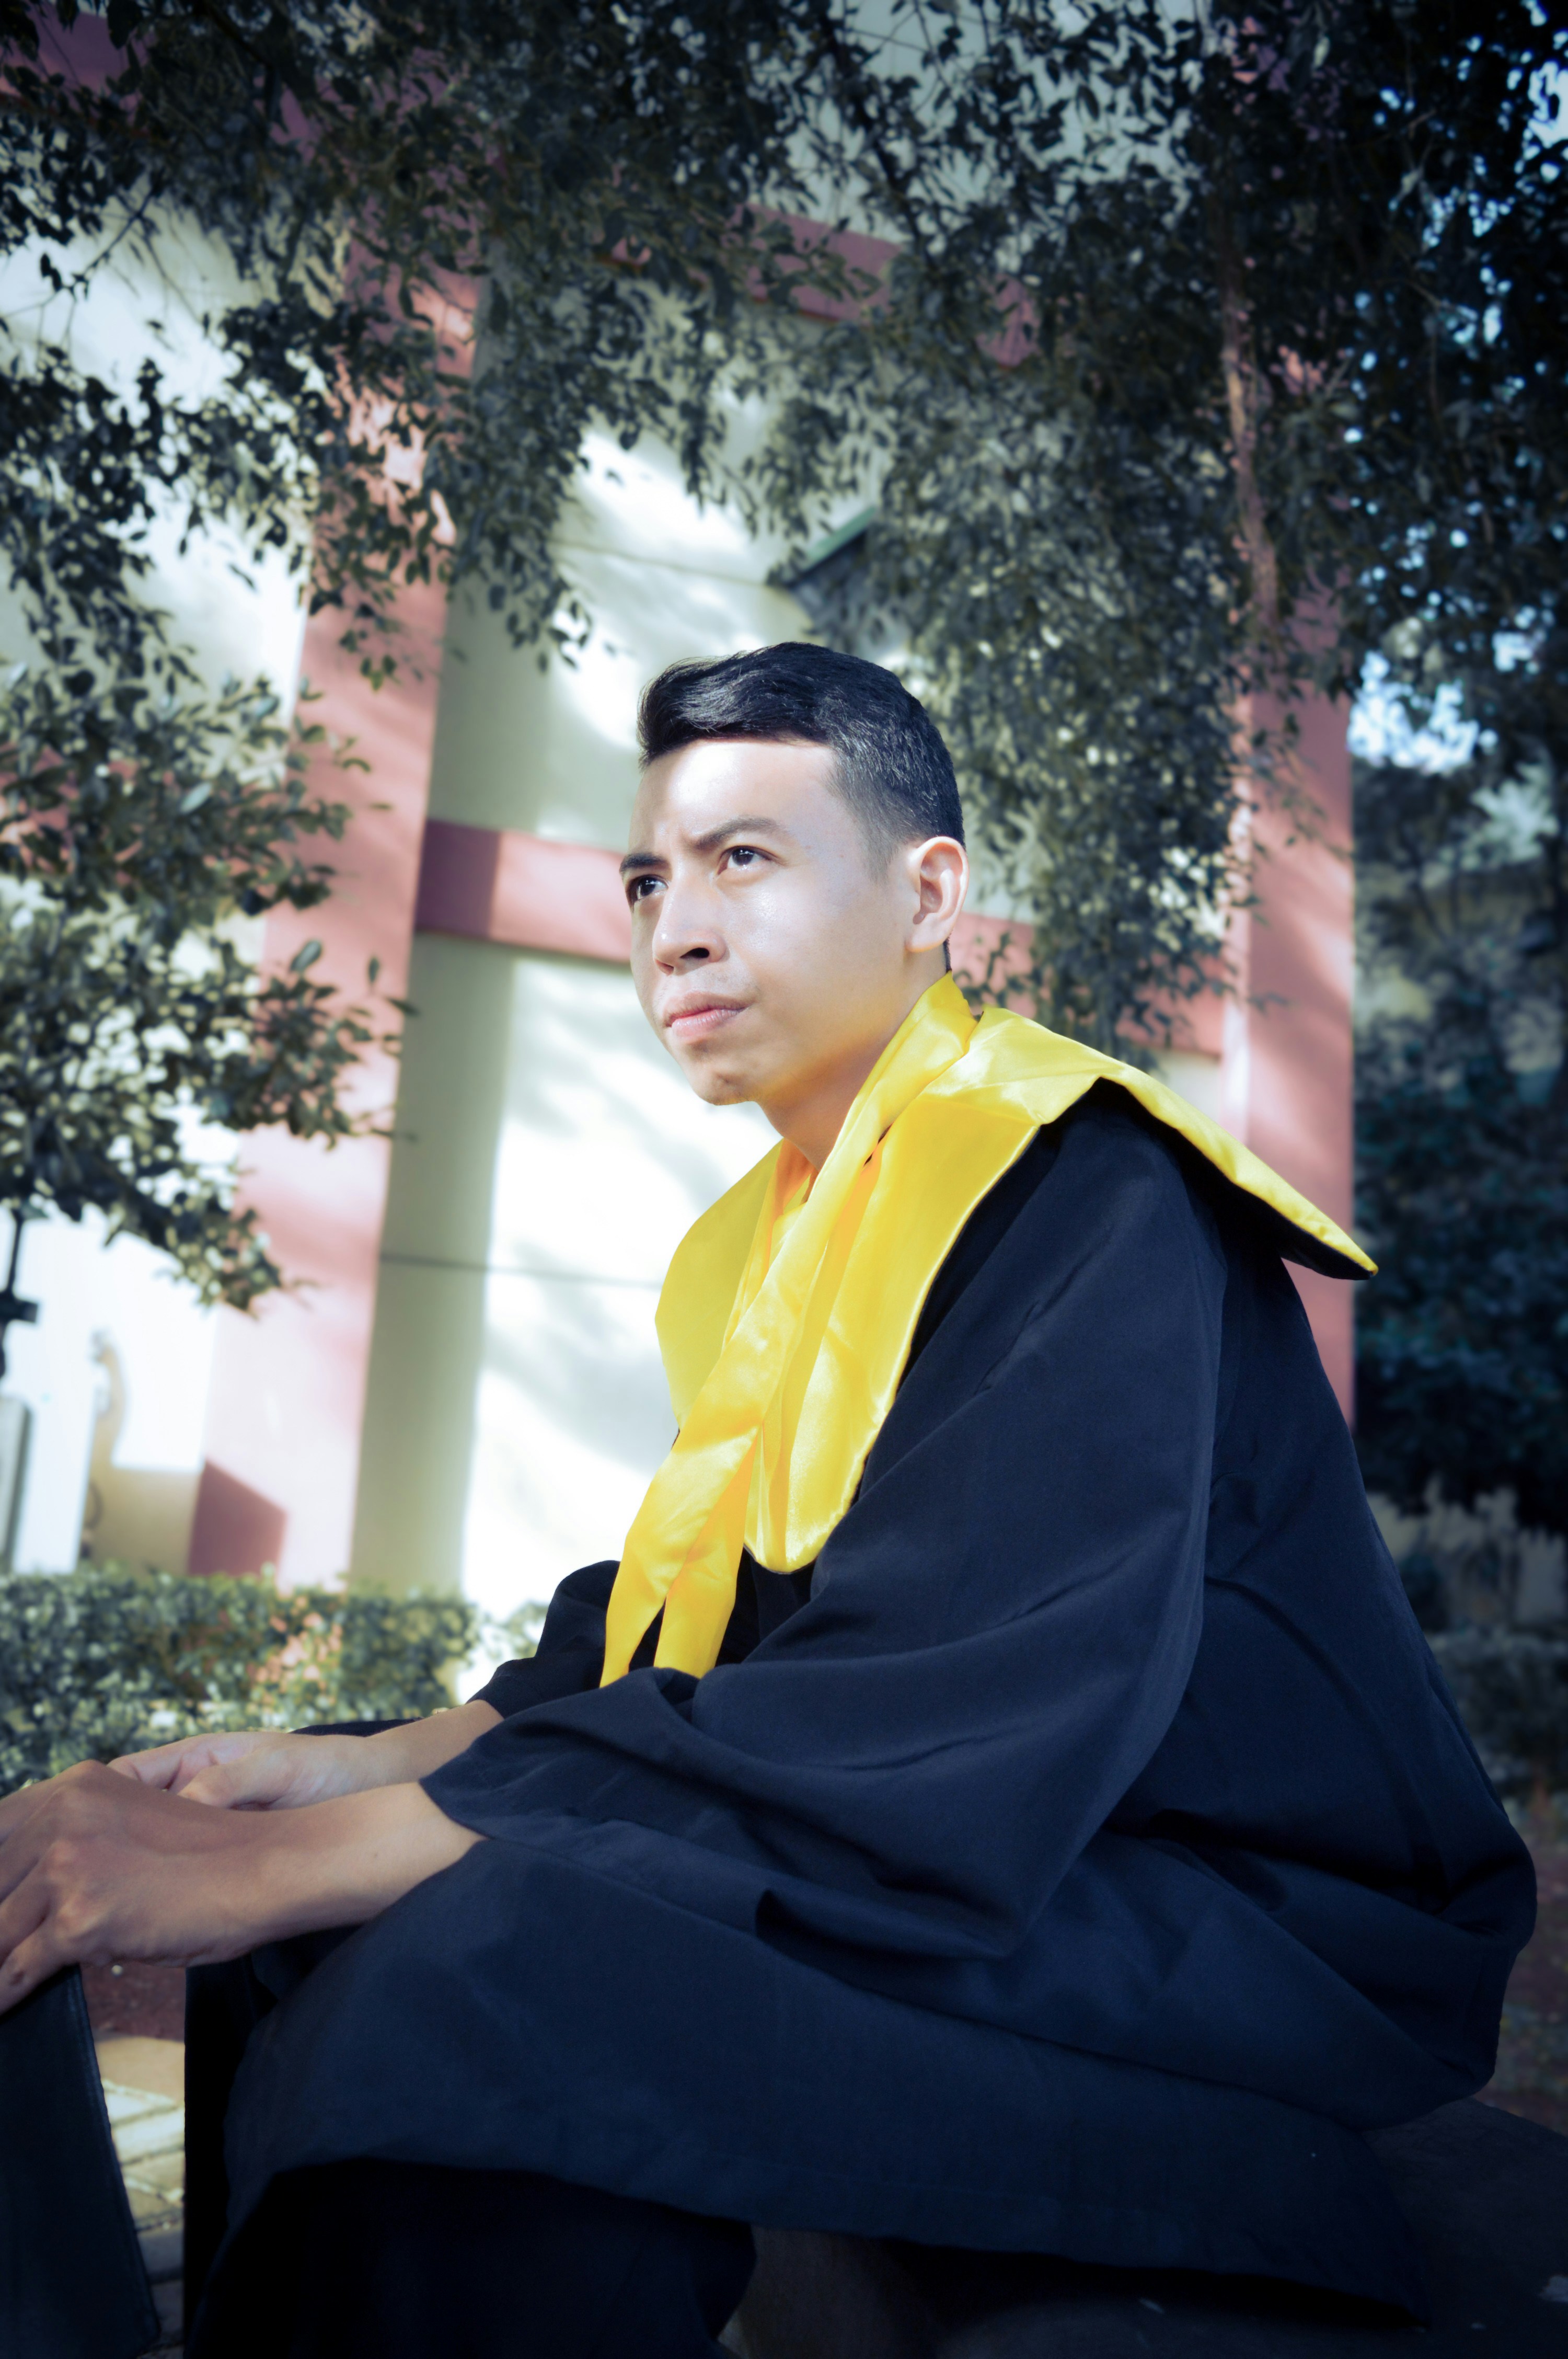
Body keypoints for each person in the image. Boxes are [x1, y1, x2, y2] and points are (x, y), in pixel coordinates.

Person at [0, 645, 1534, 2356]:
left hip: (1229, 1918)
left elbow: (930, 1713)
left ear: (928, 894)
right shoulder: (795, 1219)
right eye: (648, 879)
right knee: (307, 1910)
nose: (674, 930)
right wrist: (359, 1771)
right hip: (982, 1834)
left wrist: (293, 1862)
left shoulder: (1088, 1189)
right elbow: (703, 1620)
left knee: (477, 1967)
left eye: (743, 857)